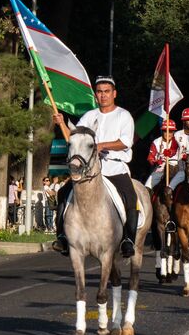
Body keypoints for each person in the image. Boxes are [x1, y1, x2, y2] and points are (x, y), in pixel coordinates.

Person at [51, 76, 140, 256]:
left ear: (114, 93)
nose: (103, 95)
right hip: (89, 170)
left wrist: (102, 145)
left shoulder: (124, 115)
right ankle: (62, 237)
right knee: (63, 193)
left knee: (131, 198)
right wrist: (61, 123)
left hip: (114, 168)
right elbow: (74, 137)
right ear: (95, 95)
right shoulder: (89, 116)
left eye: (107, 92)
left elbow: (125, 142)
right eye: (99, 92)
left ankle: (129, 239)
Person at [144, 119, 181, 193]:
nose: (168, 133)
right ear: (162, 131)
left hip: (177, 168)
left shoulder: (178, 141)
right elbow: (150, 158)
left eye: (170, 131)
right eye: (166, 131)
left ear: (173, 132)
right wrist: (157, 161)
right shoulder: (156, 142)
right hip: (161, 169)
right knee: (146, 188)